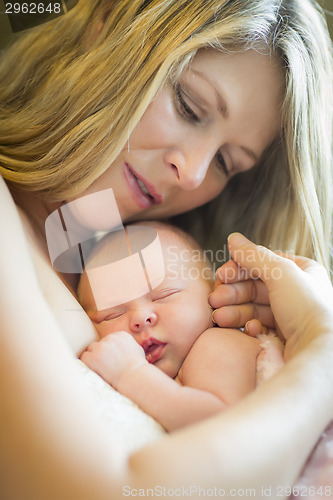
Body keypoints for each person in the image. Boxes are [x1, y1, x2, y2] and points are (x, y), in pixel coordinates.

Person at [0, 0, 332, 498]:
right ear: (107, 23)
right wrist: (321, 358)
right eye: (189, 105)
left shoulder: (91, 242)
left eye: (226, 161)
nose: (194, 173)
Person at [78, 221, 285, 431]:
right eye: (112, 315)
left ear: (214, 295)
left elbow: (222, 426)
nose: (140, 318)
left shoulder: (219, 342)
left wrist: (130, 374)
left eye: (164, 295)